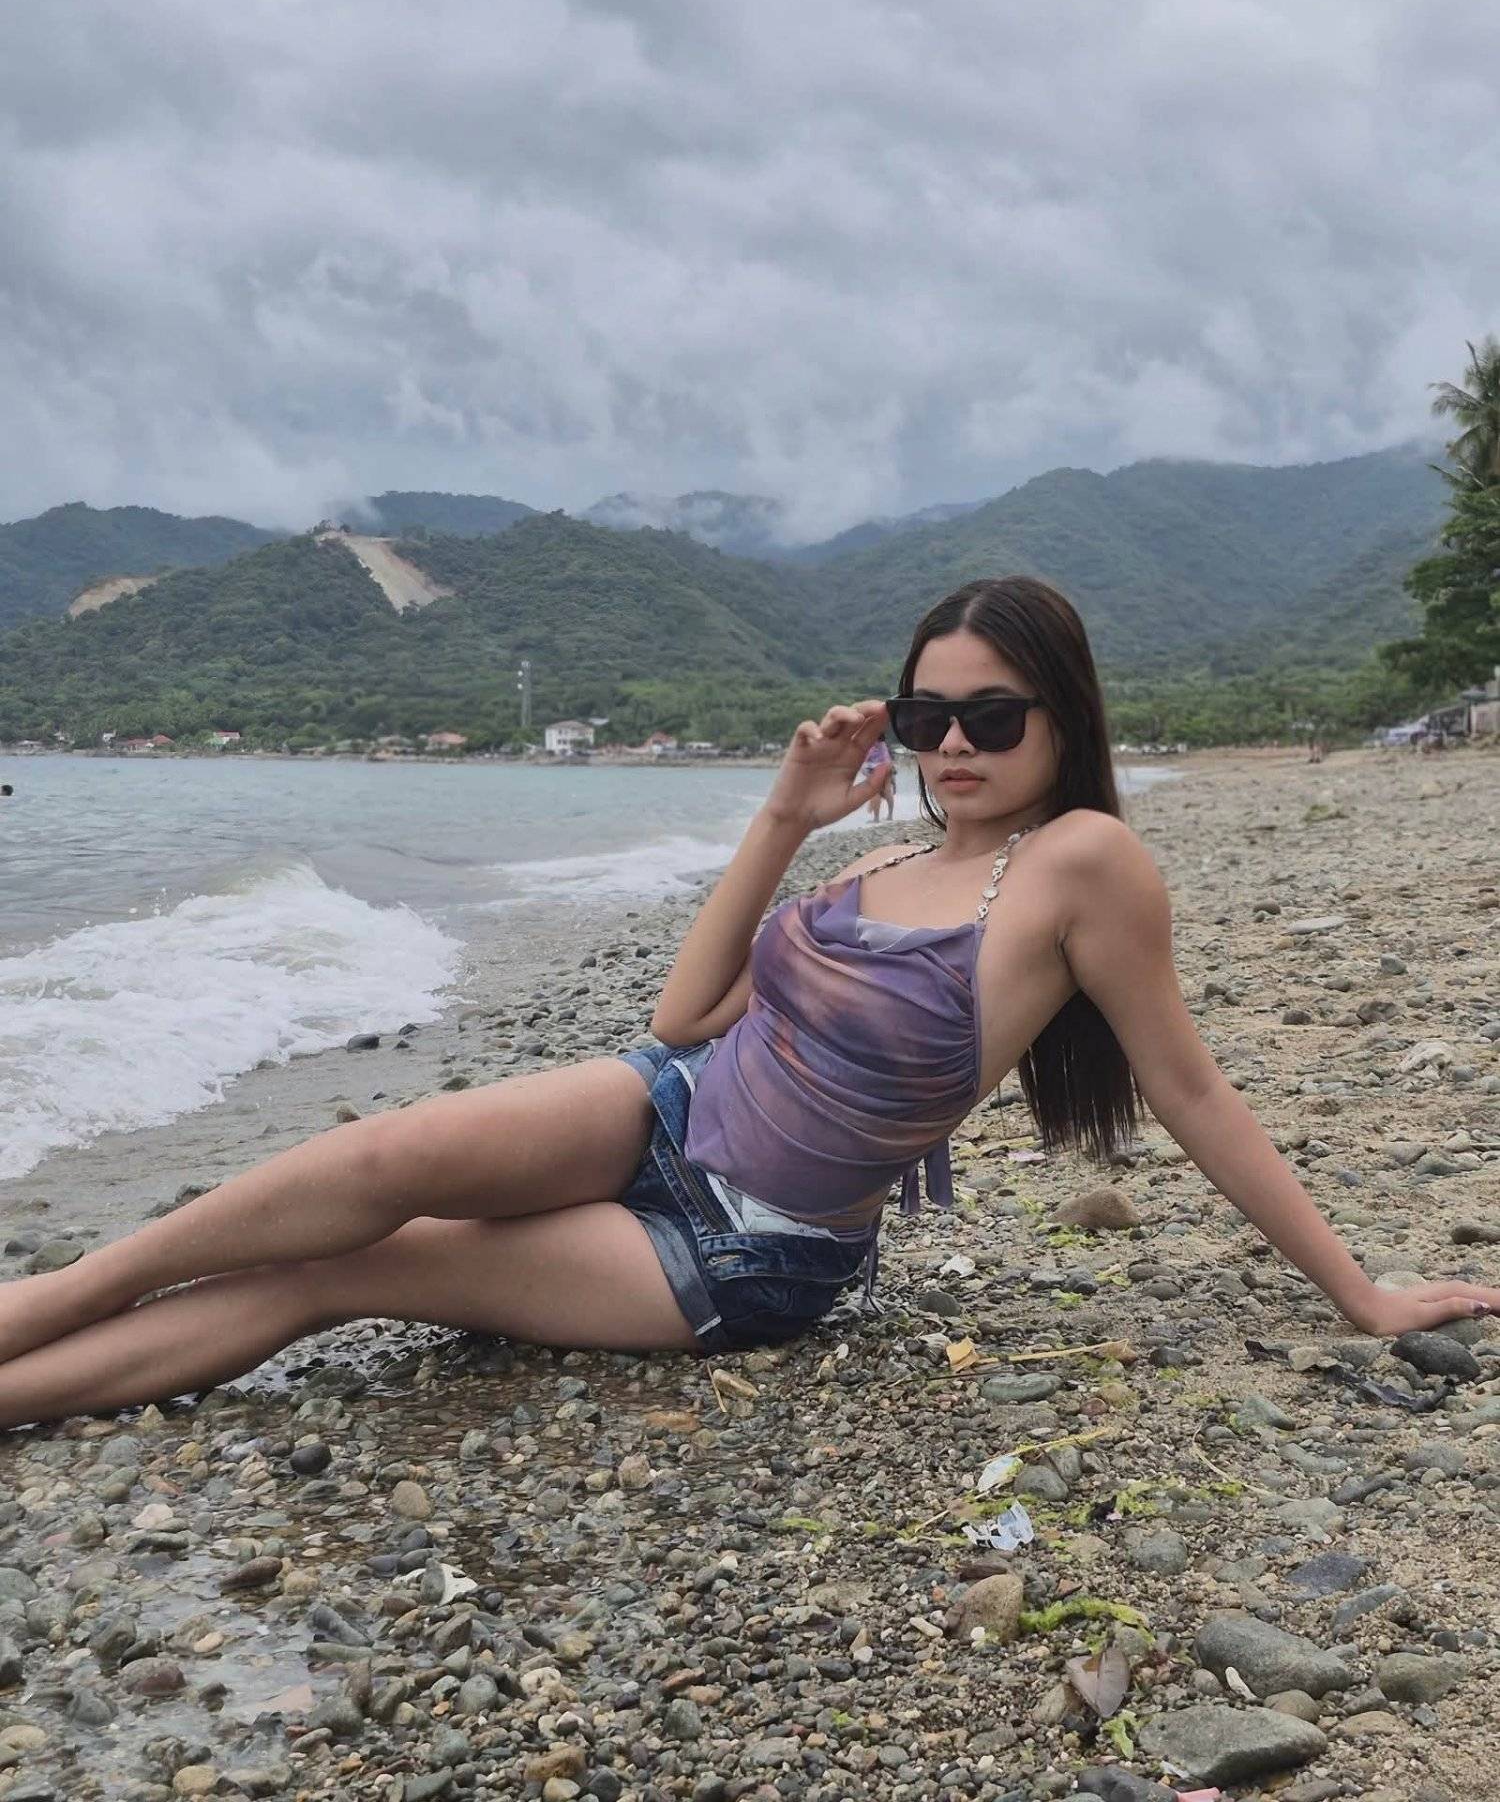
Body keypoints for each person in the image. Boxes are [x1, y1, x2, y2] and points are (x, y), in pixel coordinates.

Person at [0, 575, 1491, 1429]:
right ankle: (54, 1302)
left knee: (337, 1272)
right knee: (376, 1158)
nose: (954, 745)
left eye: (990, 715)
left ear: (1063, 716)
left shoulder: (1084, 863)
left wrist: (1357, 1292)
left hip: (746, 1245)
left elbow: (1193, 1091)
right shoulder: (891, 856)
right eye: (928, 715)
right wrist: (784, 815)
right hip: (660, 1109)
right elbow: (684, 1018)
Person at [859, 734, 896, 822]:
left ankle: (876, 818)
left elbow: (864, 760)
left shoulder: (870, 745)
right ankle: (890, 816)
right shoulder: (883, 744)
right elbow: (887, 758)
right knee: (888, 791)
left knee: (875, 792)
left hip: (874, 768)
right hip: (888, 767)